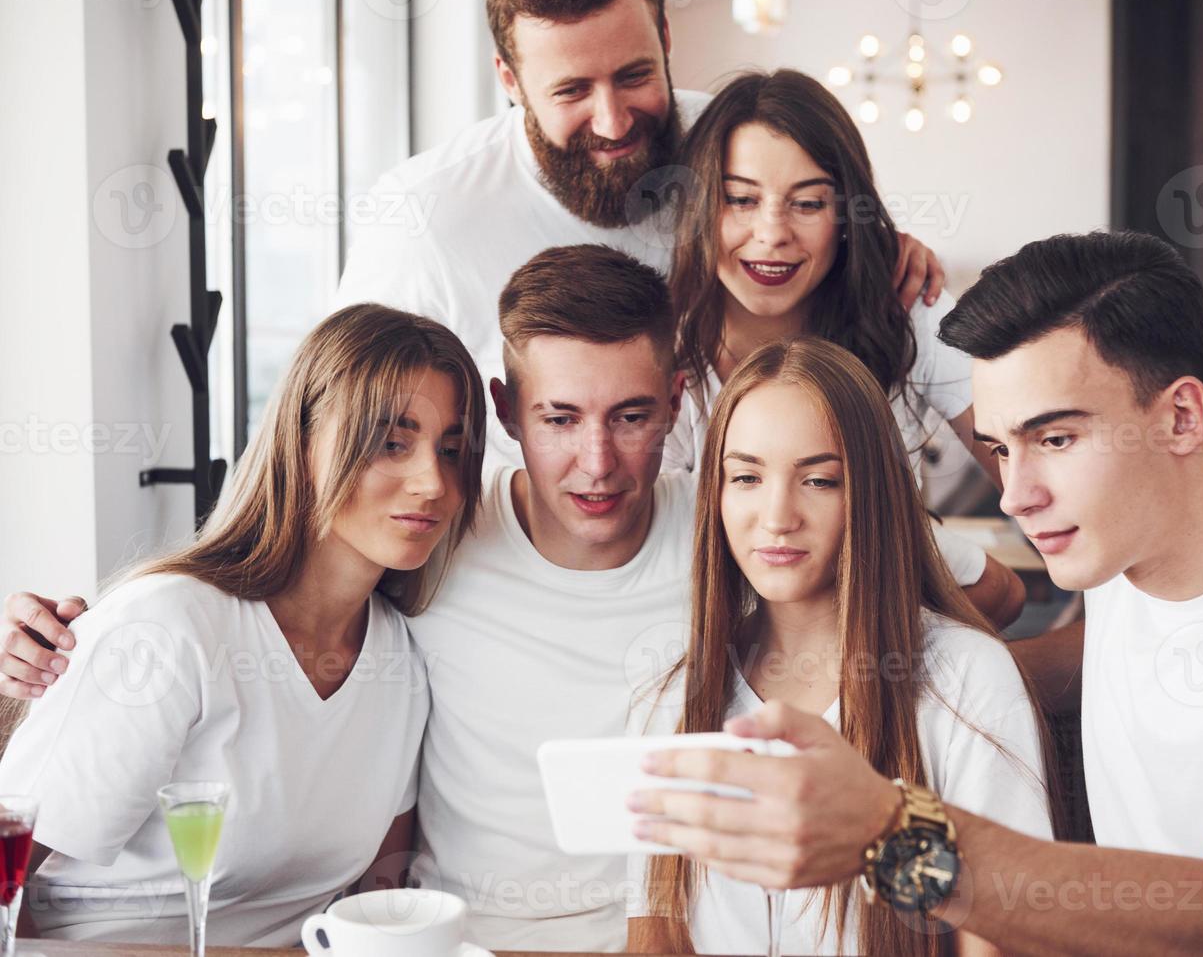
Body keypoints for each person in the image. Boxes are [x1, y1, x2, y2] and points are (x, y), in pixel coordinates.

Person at [0, 246, 1002, 952]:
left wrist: (1004, 643)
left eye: (632, 415)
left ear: (680, 399)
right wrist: (31, 674)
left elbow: (928, 582)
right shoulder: (428, 551)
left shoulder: (732, 518)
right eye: (559, 417)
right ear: (506, 408)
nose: (596, 461)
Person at [624, 231, 1203, 955]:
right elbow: (1162, 652)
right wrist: (926, 691)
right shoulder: (1155, 531)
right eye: (996, 447)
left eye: (1054, 437)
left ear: (1181, 417)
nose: (1013, 493)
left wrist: (894, 832)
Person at [0, 304, 486, 945]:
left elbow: (375, 901)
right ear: (304, 441)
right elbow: (11, 886)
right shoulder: (170, 630)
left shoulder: (401, 660)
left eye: (451, 450)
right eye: (391, 443)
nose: (434, 483)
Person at [335, 0, 946, 470]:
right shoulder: (424, 214)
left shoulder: (725, 143)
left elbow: (815, 206)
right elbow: (335, 423)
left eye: (634, 76)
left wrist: (881, 248)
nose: (613, 122)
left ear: (665, 36)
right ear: (510, 80)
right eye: (572, 90)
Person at [625, 338, 1051, 956]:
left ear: (871, 495)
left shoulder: (968, 680)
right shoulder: (668, 695)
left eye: (820, 480)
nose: (777, 516)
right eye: (745, 477)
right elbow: (654, 939)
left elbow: (1003, 939)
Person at [661, 70, 995, 492]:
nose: (773, 233)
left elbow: (1032, 474)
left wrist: (959, 558)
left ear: (844, 217)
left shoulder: (910, 307)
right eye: (742, 199)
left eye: (807, 203)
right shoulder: (663, 347)